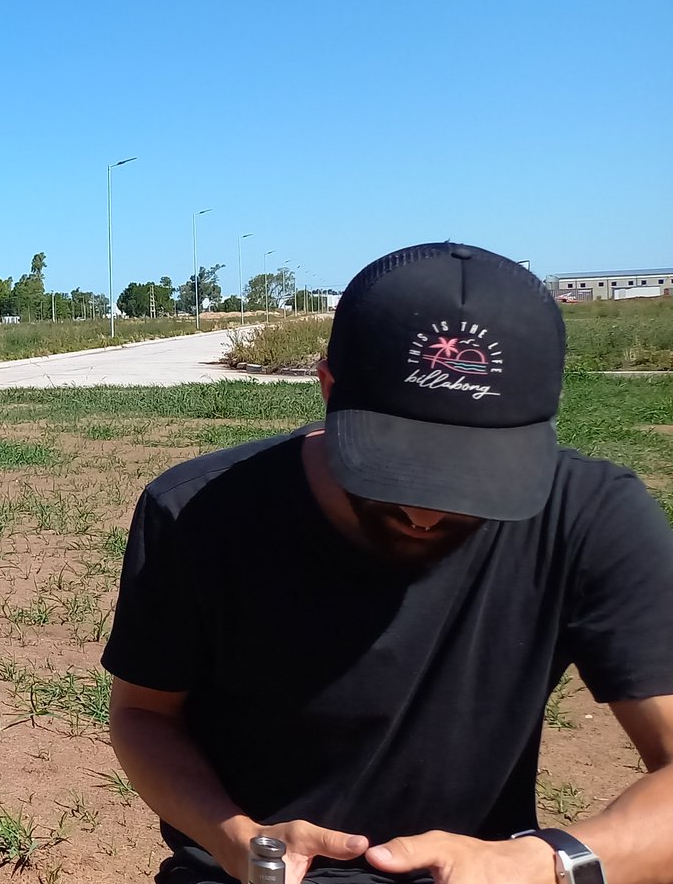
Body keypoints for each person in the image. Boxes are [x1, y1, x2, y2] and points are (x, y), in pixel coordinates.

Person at [100, 241, 673, 884]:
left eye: (473, 480)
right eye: (392, 469)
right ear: (329, 390)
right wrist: (238, 840)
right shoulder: (199, 512)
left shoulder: (589, 515)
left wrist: (544, 863)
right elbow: (144, 713)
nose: (423, 515)